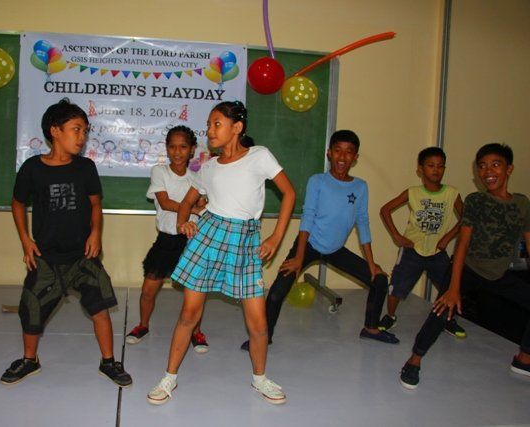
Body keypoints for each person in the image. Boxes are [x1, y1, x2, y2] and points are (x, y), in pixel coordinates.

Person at [147, 101, 295, 405]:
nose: (210, 131)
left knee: (259, 323)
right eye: (209, 125)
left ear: (236, 128)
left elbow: (289, 193)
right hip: (210, 236)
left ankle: (260, 379)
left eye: (217, 124)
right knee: (189, 314)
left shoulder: (259, 156)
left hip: (245, 242)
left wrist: (276, 237)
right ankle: (169, 377)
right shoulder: (208, 167)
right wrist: (183, 222)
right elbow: (187, 203)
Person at [0, 98, 131, 387]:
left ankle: (108, 361)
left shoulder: (85, 167)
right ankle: (29, 360)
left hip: (82, 256)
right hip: (46, 256)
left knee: (100, 308)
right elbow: (17, 203)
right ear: (55, 130)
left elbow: (95, 204)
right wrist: (25, 240)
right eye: (76, 129)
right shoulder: (33, 168)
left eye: (85, 130)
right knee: (32, 309)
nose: (82, 137)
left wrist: (96, 233)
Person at [241, 129, 398, 352]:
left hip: (336, 250)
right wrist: (298, 258)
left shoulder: (360, 187)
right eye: (338, 150)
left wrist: (372, 264)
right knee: (276, 292)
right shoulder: (318, 181)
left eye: (349, 152)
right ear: (329, 153)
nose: (342, 157)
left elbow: (363, 222)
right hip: (308, 245)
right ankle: (264, 337)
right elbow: (308, 218)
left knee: (380, 280)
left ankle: (371, 328)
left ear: (355, 157)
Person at [399, 143, 530, 389]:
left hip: (499, 274)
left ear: (509, 169)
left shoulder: (522, 204)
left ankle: (524, 359)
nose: (487, 171)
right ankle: (414, 360)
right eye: (482, 166)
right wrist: (453, 288)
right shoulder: (476, 201)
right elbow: (462, 245)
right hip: (469, 269)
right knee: (442, 310)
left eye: (495, 165)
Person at [125, 126, 210, 352]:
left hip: (191, 241)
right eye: (172, 146)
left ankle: (196, 331)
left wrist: (200, 204)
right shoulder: (159, 171)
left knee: (195, 293)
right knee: (148, 289)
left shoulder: (197, 178)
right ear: (166, 148)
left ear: (192, 150)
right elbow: (165, 203)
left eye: (183, 147)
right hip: (166, 240)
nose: (177, 152)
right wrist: (193, 208)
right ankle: (143, 325)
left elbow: (203, 204)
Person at [378, 147, 466, 338]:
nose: (436, 170)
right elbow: (385, 210)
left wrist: (447, 237)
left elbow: (466, 218)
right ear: (420, 169)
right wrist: (396, 236)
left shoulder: (452, 193)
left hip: (437, 252)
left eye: (440, 166)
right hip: (412, 250)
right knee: (397, 286)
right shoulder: (413, 192)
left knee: (449, 287)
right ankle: (390, 316)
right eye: (431, 165)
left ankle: (448, 320)